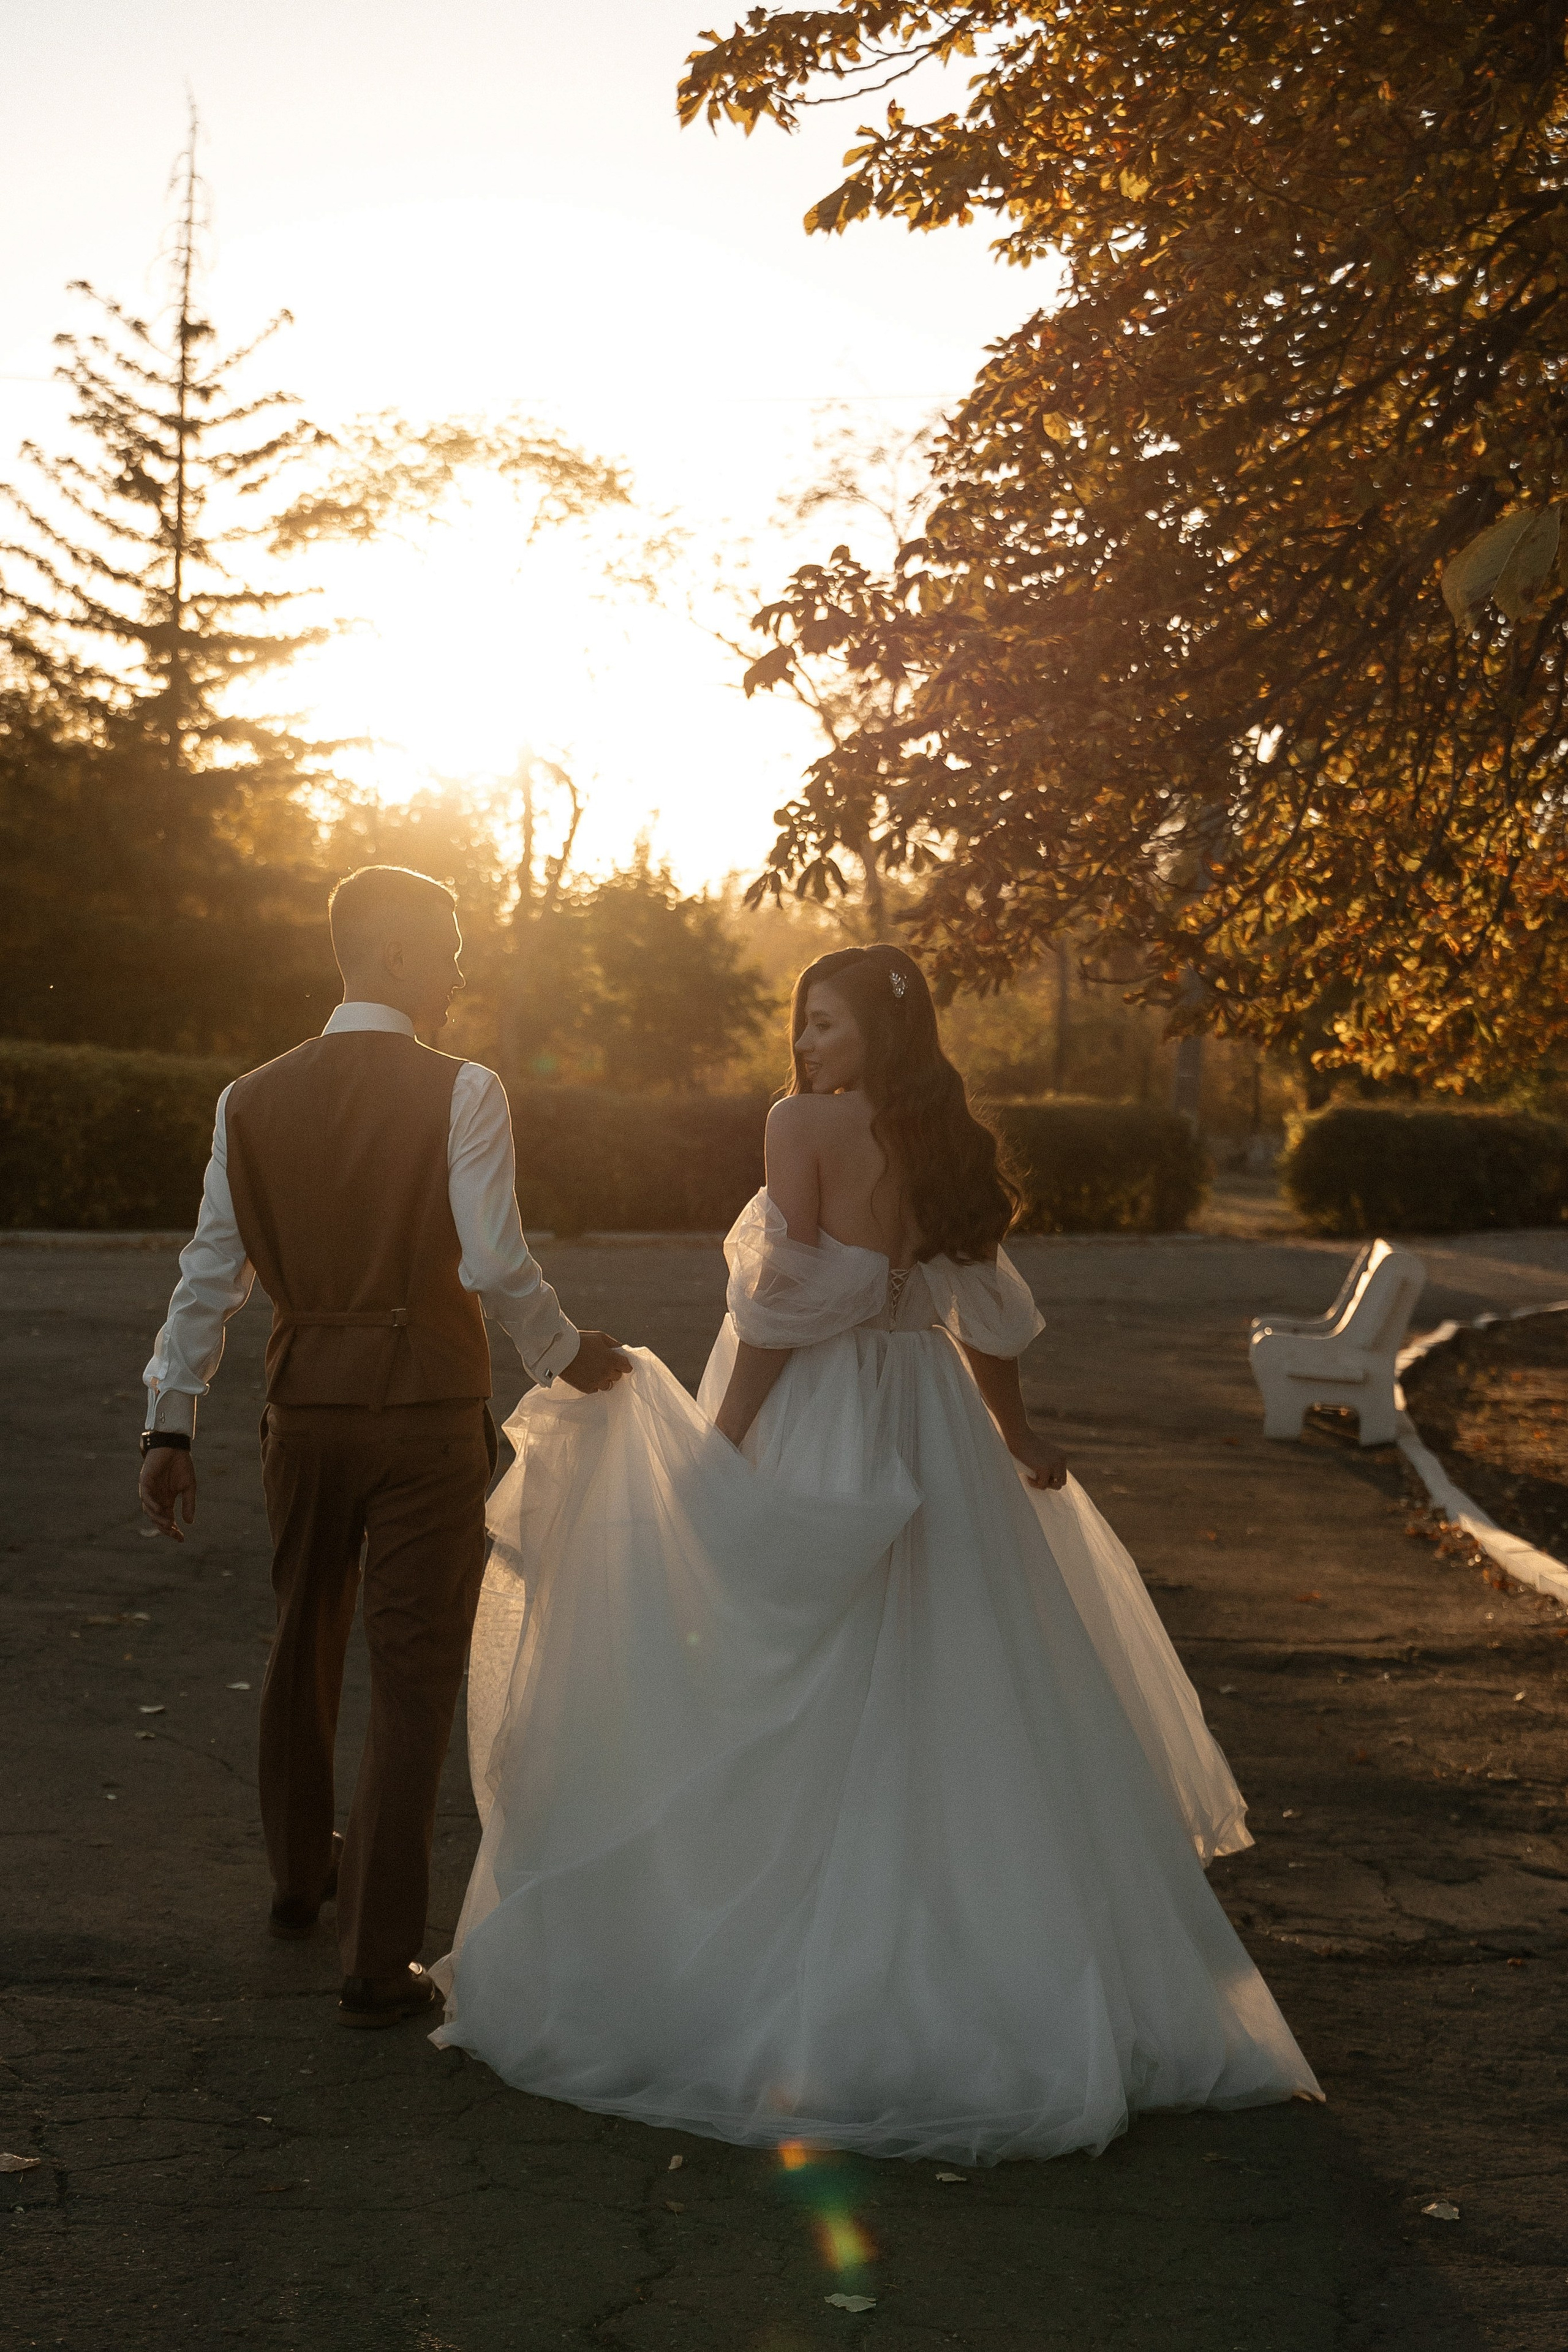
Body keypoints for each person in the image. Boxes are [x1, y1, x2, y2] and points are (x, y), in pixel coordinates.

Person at [432, 942, 1321, 2162]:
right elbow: (981, 1313)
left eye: (828, 1023)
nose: (806, 1045)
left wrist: (720, 1444)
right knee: (960, 1673)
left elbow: (781, 1304)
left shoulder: (798, 1124)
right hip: (931, 1415)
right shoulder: (944, 1135)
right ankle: (999, 1964)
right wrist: (1012, 1435)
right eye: (803, 1023)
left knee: (813, 1666)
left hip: (829, 1410)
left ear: (879, 1034)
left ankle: (815, 1974)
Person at [137, 865, 629, 2030]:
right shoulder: (464, 1089)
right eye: (449, 947)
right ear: (398, 952)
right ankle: (377, 1956)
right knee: (411, 1674)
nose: (460, 970)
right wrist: (563, 1352)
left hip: (303, 1410)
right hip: (424, 1415)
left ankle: (298, 1880)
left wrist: (170, 1419)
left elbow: (211, 1270)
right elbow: (494, 1260)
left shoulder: (248, 1100)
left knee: (303, 1631)